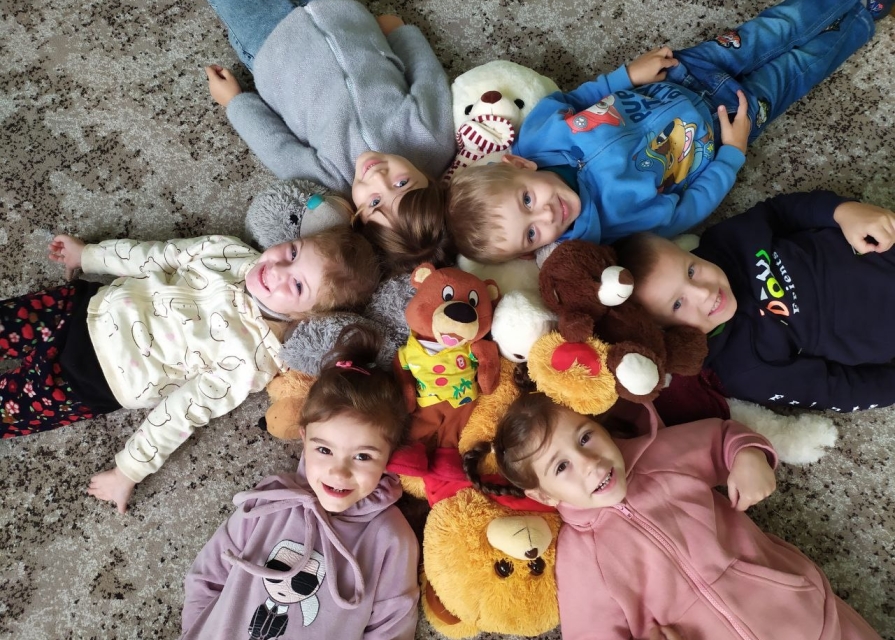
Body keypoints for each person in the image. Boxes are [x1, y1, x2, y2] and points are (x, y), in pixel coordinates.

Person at [446, 0, 889, 264]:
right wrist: (732, 154)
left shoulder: (540, 134)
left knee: (774, 29)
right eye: (531, 234)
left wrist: (625, 75)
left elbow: (579, 97)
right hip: (726, 125)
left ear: (518, 164)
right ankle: (864, 15)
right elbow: (688, 209)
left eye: (527, 200)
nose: (545, 216)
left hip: (684, 71)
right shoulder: (610, 225)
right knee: (798, 68)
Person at [0, 226, 380, 513]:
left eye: (296, 285)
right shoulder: (229, 252)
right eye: (293, 251)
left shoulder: (252, 361)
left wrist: (128, 471)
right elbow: (156, 256)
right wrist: (90, 256)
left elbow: (182, 412)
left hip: (93, 380)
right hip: (82, 308)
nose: (278, 267)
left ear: (306, 317)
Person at [463, 392, 882, 639]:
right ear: (544, 496)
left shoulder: (657, 455)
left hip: (804, 612)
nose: (590, 463)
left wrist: (748, 457)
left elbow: (721, 437)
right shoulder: (579, 559)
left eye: (586, 437)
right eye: (561, 467)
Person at [180, 325, 418, 640]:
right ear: (304, 438)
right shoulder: (269, 501)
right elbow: (207, 576)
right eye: (324, 450)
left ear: (389, 456)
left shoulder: (391, 537)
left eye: (363, 456)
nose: (339, 472)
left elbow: (392, 628)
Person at [203, 0, 456, 271]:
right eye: (402, 183)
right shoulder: (433, 140)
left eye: (374, 202)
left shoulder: (331, 184)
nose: (378, 177)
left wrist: (235, 102)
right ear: (431, 183)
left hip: (272, 46)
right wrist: (400, 35)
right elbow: (428, 76)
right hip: (342, 15)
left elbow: (275, 146)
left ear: (359, 219)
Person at [615, 190, 895, 412]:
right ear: (664, 332)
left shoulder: (725, 243)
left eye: (691, 270)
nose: (704, 292)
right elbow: (836, 390)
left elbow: (780, 211)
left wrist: (841, 211)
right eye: (678, 304)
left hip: (881, 246)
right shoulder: (743, 369)